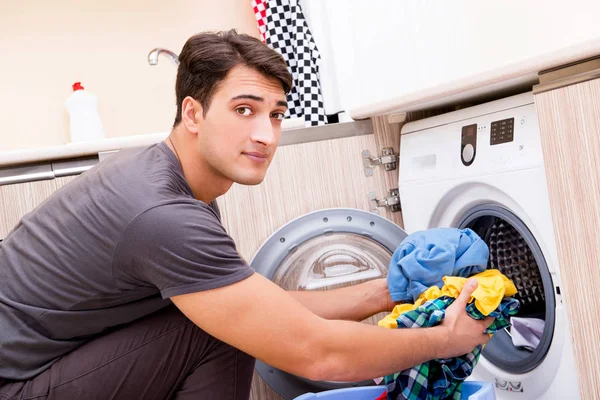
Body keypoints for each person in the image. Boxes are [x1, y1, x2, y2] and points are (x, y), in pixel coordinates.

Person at [0, 30, 492, 400]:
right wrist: (443, 339)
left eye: (276, 114)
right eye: (243, 110)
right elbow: (317, 351)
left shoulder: (173, 181)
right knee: (222, 331)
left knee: (229, 319)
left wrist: (386, 291)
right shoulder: (163, 215)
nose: (267, 134)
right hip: (17, 383)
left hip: (46, 363)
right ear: (192, 114)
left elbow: (254, 304)